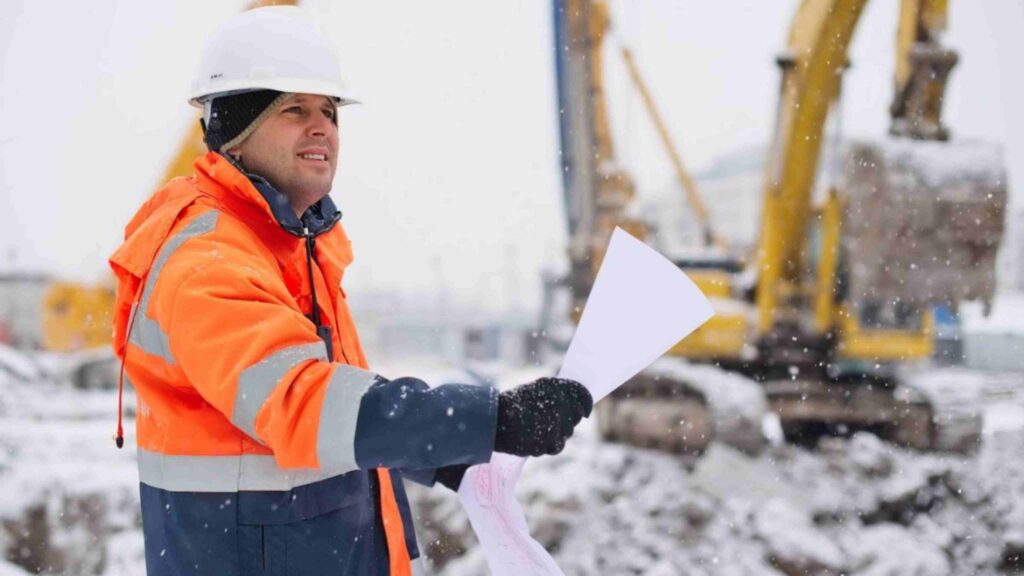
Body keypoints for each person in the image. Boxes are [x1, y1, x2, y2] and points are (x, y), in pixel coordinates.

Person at [108, 6, 593, 576]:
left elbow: (342, 406)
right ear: (233, 129)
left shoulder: (291, 243)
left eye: (330, 112)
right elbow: (305, 403)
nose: (322, 128)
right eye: (294, 109)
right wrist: (491, 419)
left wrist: (443, 459)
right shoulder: (208, 259)